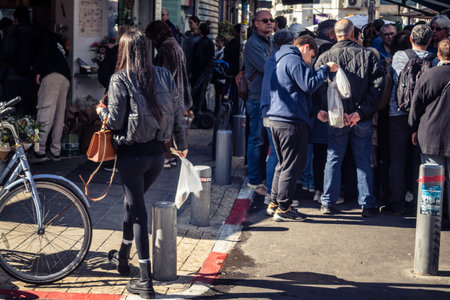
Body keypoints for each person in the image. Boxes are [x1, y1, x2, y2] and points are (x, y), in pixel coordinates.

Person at [96, 28, 187, 299]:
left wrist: (101, 110)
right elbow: (179, 114)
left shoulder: (119, 78)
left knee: (138, 212)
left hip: (132, 156)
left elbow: (114, 120)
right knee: (130, 203)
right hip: (158, 156)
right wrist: (182, 146)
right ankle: (123, 258)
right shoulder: (162, 74)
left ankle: (145, 280)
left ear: (123, 51)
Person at [315, 19, 385, 217]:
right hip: (359, 117)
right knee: (362, 160)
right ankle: (367, 204)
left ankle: (328, 202)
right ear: (353, 33)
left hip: (336, 116)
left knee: (333, 158)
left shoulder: (325, 57)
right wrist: (360, 113)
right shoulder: (368, 55)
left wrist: (326, 110)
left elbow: (317, 87)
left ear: (334, 35)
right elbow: (378, 86)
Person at [266, 34, 338, 221]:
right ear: (306, 47)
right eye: (312, 56)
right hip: (291, 120)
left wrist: (315, 111)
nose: (311, 60)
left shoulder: (281, 59)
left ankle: (275, 202)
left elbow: (296, 90)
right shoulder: (294, 60)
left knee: (283, 164)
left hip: (279, 118)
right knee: (292, 165)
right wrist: (324, 69)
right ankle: (284, 208)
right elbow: (309, 84)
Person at [384, 24, 438, 216]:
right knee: (418, 161)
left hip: (397, 113)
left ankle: (396, 202)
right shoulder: (434, 60)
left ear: (411, 40)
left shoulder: (400, 57)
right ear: (430, 41)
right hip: (423, 117)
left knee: (397, 160)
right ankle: (417, 202)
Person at [409, 38, 450, 220]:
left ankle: (432, 220)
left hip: (430, 133)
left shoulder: (429, 75)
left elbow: (416, 104)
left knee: (432, 182)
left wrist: (413, 128)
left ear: (439, 55)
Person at [145, 20, 192, 168]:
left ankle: (166, 158)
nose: (152, 41)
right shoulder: (175, 44)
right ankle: (170, 157)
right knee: (171, 127)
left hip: (170, 94)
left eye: (152, 37)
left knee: (165, 127)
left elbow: (164, 73)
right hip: (179, 91)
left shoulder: (166, 47)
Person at [260, 29, 294, 205]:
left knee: (274, 153)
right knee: (279, 155)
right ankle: (276, 195)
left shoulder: (270, 60)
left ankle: (270, 195)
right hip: (279, 112)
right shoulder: (285, 60)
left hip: (267, 109)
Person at [243, 10, 274, 195]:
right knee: (256, 139)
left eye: (271, 20)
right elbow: (267, 66)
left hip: (266, 97)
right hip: (256, 97)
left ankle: (259, 177)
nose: (269, 23)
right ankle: (254, 181)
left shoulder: (268, 41)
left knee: (263, 142)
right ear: (255, 23)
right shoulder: (253, 44)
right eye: (265, 20)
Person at [30, 28, 71, 163]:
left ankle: (39, 151)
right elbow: (67, 53)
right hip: (65, 78)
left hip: (50, 76)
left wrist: (37, 72)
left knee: (44, 113)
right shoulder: (58, 42)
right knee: (59, 116)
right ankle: (56, 151)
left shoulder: (42, 39)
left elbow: (41, 55)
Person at [1, 7, 36, 116]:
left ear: (16, 20)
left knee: (9, 111)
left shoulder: (12, 35)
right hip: (28, 78)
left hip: (11, 78)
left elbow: (4, 55)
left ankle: (9, 132)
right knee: (25, 111)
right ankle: (26, 132)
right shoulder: (34, 35)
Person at [190, 22, 214, 114]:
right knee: (202, 90)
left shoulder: (199, 42)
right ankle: (202, 109)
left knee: (198, 91)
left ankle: (199, 110)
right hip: (206, 70)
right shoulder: (209, 42)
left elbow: (197, 58)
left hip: (199, 71)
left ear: (200, 31)